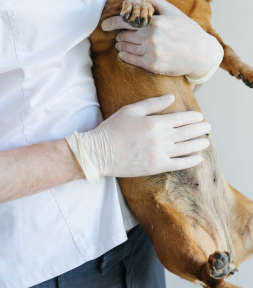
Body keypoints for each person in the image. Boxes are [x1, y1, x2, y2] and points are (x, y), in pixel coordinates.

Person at [0, 0, 224, 287]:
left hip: (138, 230)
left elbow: (134, 65)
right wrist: (91, 154)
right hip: (44, 254)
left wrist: (199, 58)